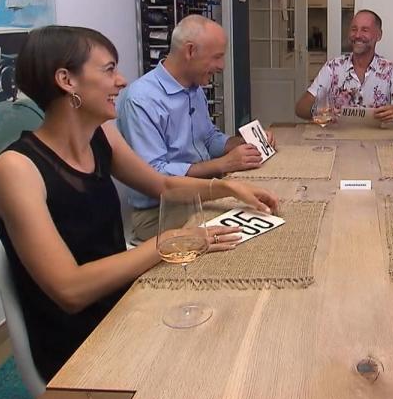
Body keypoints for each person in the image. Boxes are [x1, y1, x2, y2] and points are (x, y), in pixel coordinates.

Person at [0, 25, 278, 382]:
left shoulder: (101, 135)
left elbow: (162, 184)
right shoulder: (14, 169)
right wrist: (169, 243)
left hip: (126, 299)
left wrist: (230, 188)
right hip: (85, 342)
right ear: (67, 80)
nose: (121, 81)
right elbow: (70, 289)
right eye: (109, 70)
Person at [117, 15, 275, 241]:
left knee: (260, 203)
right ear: (190, 51)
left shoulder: (194, 87)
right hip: (157, 212)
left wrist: (242, 143)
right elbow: (155, 174)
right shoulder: (141, 100)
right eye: (217, 57)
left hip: (200, 192)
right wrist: (222, 164)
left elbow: (209, 138)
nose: (222, 66)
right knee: (249, 224)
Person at [294, 9, 393, 122]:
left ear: (378, 35)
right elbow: (300, 109)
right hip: (338, 140)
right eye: (354, 29)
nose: (357, 35)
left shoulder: (390, 70)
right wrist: (322, 113)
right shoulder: (333, 67)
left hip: (376, 140)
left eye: (365, 30)